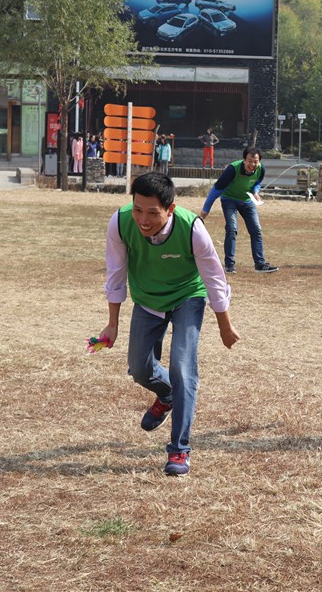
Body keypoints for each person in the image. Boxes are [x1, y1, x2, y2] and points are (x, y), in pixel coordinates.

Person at [99, 172, 241, 476]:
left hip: (187, 297)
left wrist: (225, 326)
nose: (143, 219)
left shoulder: (193, 229)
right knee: (139, 368)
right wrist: (112, 324)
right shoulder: (120, 223)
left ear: (170, 209)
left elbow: (215, 279)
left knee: (182, 367)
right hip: (147, 299)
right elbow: (115, 273)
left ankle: (179, 449)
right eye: (138, 209)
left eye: (153, 212)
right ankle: (167, 394)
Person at [200, 147, 278, 274]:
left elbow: (258, 182)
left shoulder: (261, 169)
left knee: (256, 230)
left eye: (255, 161)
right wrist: (206, 208)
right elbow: (217, 189)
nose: (252, 164)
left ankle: (260, 264)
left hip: (246, 201)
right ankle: (229, 265)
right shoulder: (232, 169)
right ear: (244, 160)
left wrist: (255, 191)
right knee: (232, 229)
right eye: (249, 161)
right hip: (229, 200)